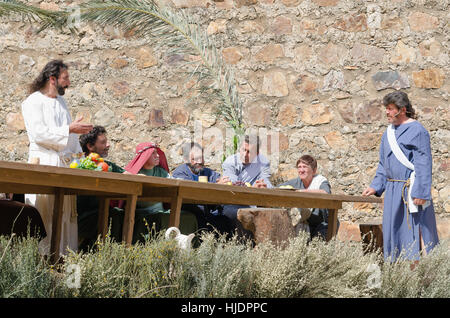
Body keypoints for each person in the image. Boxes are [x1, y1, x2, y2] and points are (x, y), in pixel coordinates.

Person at [21, 60, 93, 256]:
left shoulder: (61, 102)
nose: (68, 83)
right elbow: (39, 134)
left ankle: (63, 260)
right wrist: (69, 129)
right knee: (43, 216)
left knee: (64, 218)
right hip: (43, 164)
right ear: (52, 79)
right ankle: (40, 261)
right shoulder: (32, 102)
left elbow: (69, 138)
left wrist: (80, 159)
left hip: (63, 166)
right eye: (65, 78)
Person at [362, 91, 439, 262]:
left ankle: (424, 276)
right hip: (392, 191)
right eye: (387, 109)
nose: (387, 112)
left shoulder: (417, 130)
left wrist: (421, 192)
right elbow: (384, 164)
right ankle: (398, 275)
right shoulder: (388, 133)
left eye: (390, 109)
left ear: (402, 110)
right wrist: (376, 186)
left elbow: (423, 163)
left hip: (411, 191)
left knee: (417, 232)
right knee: (394, 233)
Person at [124, 142, 198, 239]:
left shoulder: (160, 171)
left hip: (160, 211)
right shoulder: (134, 172)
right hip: (141, 212)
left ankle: (184, 245)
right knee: (161, 218)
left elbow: (171, 181)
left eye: (157, 153)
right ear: (144, 156)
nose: (157, 155)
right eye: (153, 153)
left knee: (190, 217)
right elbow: (125, 178)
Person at [77, 126, 126, 250]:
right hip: (80, 217)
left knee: (123, 215)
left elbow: (129, 175)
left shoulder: (107, 166)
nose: (108, 145)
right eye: (103, 142)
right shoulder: (79, 165)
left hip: (102, 213)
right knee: (113, 216)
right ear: (90, 146)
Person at [172, 142, 232, 234]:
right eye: (195, 159)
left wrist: (225, 182)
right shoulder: (180, 173)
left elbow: (220, 180)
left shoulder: (208, 172)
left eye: (201, 157)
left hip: (209, 213)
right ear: (185, 159)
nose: (199, 161)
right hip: (191, 212)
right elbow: (192, 191)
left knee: (226, 221)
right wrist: (216, 186)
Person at [221, 134, 272, 239]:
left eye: (249, 152)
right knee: (239, 214)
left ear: (257, 154)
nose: (245, 154)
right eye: (243, 150)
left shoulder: (263, 162)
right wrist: (253, 187)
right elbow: (234, 185)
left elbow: (267, 182)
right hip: (232, 202)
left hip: (253, 202)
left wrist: (263, 186)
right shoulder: (230, 162)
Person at [278, 155, 335, 239]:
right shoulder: (296, 182)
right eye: (299, 167)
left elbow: (325, 193)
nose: (301, 170)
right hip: (304, 222)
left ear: (314, 170)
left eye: (305, 167)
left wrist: (302, 192)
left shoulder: (320, 180)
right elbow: (278, 188)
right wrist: (263, 186)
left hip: (322, 223)